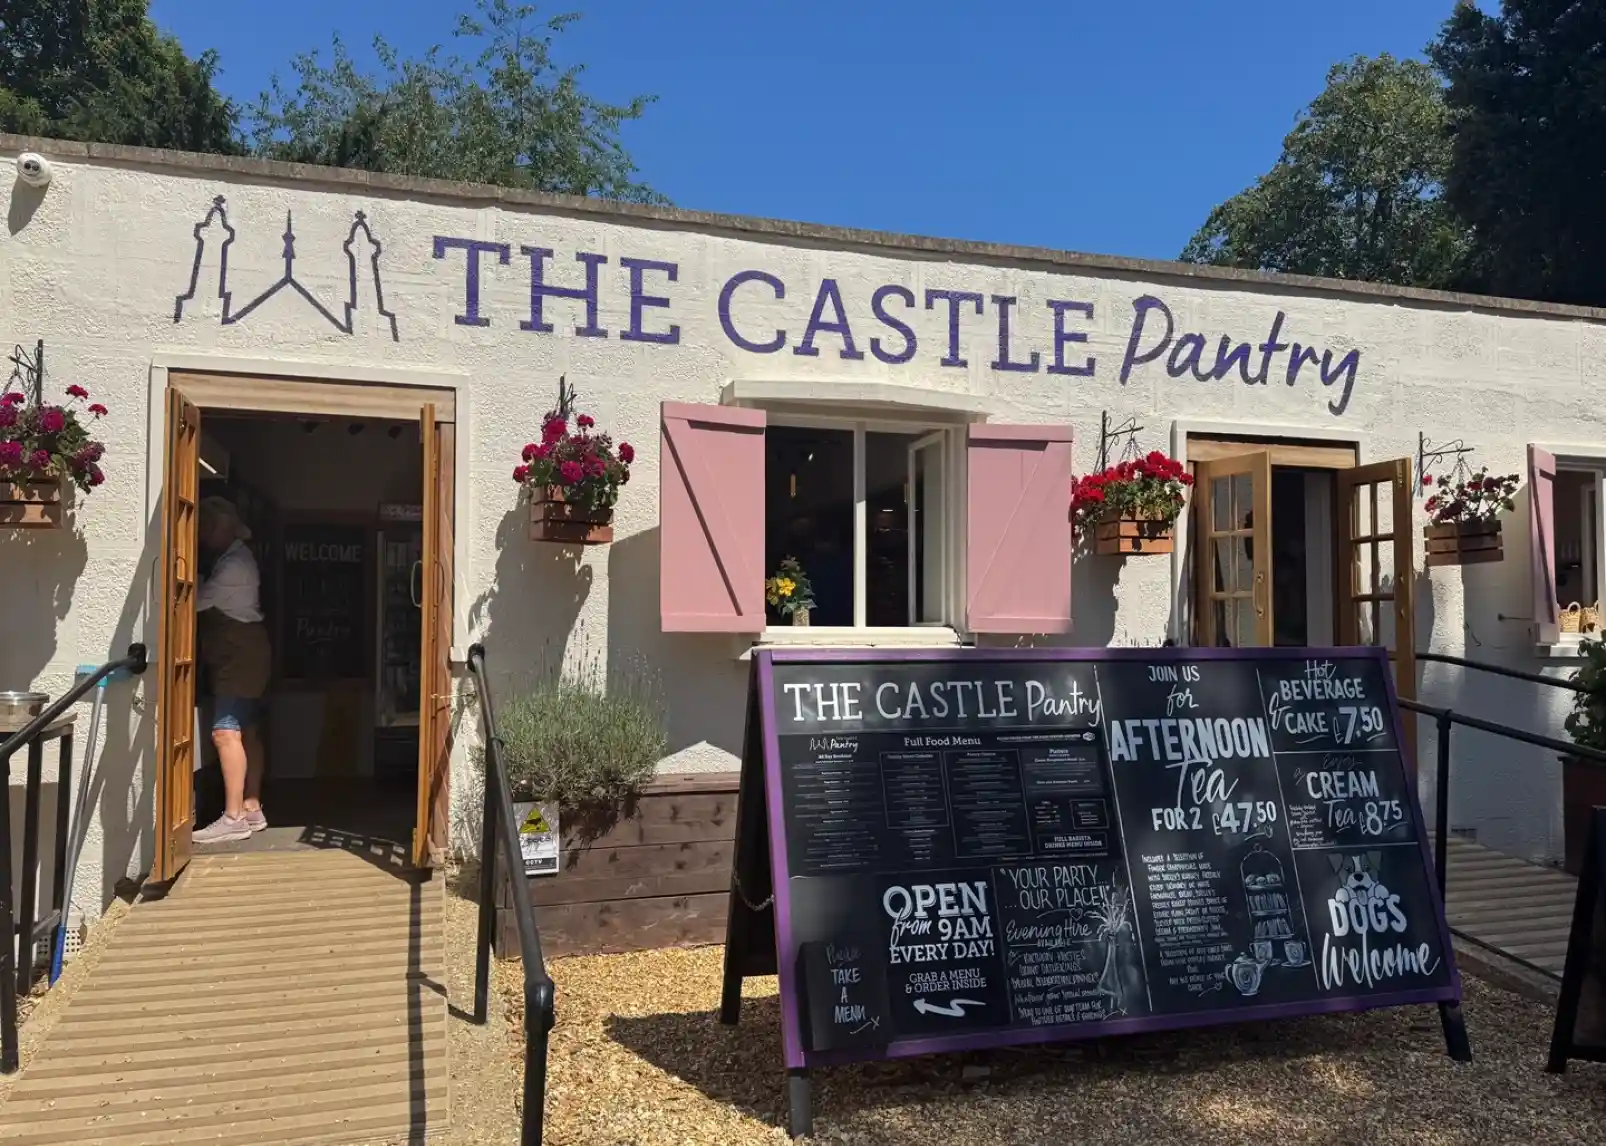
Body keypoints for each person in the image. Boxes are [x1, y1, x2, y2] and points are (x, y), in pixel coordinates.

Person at [192, 496, 273, 844]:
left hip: (237, 658)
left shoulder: (232, 566)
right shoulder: (238, 558)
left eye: (207, 526)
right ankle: (251, 806)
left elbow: (194, 602)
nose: (204, 533)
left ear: (218, 527)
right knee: (248, 728)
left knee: (225, 732)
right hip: (248, 656)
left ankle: (233, 816)